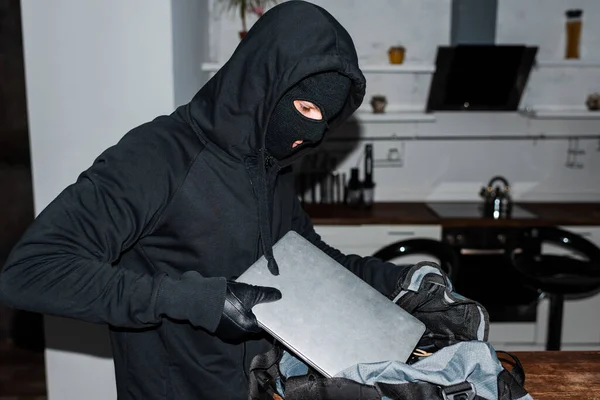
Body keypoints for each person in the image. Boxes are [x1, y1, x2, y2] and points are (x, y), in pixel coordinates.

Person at [0, 1, 430, 399]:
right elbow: (30, 272)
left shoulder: (272, 162)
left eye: (327, 119)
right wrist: (196, 300)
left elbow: (306, 259)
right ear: (262, 81)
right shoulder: (158, 156)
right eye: (306, 108)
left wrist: (404, 284)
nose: (314, 134)